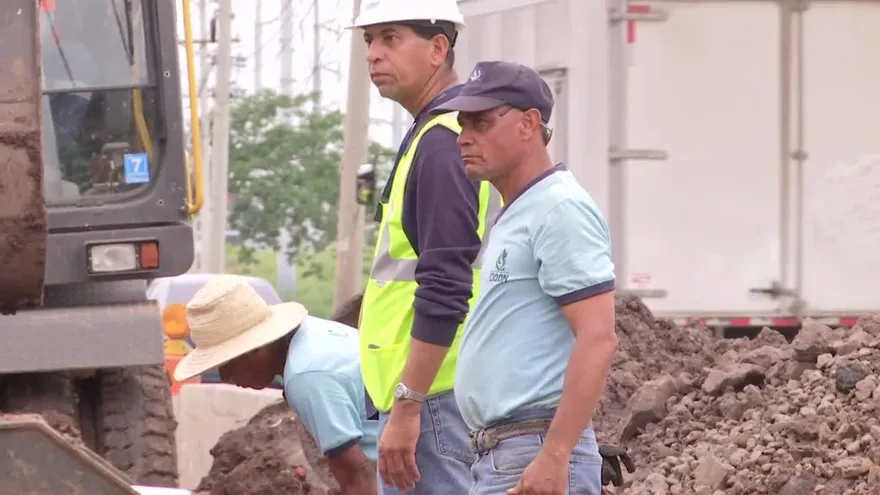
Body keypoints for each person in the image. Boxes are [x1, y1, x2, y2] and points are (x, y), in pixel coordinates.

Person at [429, 60, 620, 494]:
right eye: (462, 125)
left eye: (481, 122)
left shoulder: (558, 209)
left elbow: (599, 336)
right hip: (505, 453)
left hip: (531, 451)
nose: (464, 138)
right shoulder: (517, 213)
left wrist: (555, 454)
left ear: (529, 124)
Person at [346, 1, 502, 493]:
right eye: (368, 40)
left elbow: (445, 281)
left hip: (433, 394)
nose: (372, 54)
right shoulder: (435, 133)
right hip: (431, 388)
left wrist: (409, 402)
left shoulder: (441, 143)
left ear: (438, 49)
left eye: (390, 38)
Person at [172, 275, 379, 495]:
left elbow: (359, 476)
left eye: (227, 363)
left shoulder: (306, 376)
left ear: (253, 349)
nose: (224, 377)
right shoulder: (312, 334)